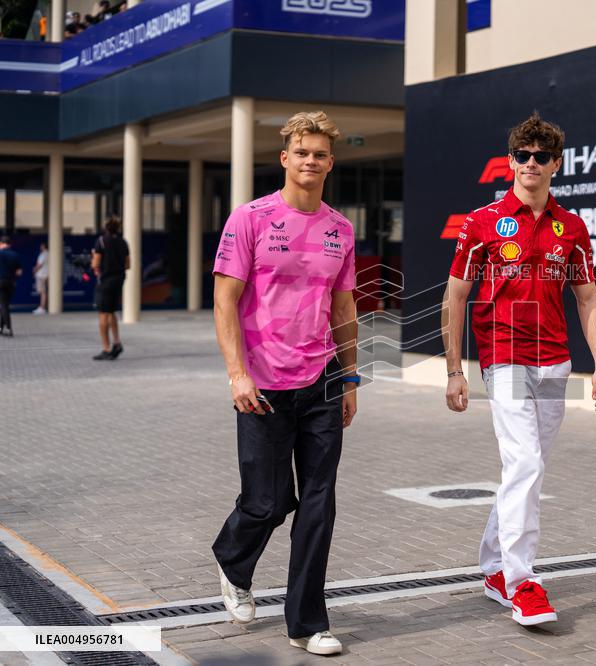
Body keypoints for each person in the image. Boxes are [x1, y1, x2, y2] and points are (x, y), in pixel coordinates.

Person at [441, 112, 596, 626]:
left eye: (541, 156)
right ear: (510, 160)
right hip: (503, 357)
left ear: (556, 163)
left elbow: (589, 301)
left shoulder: (572, 227)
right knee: (526, 465)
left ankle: (495, 568)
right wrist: (455, 370)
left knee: (526, 469)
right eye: (522, 155)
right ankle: (521, 582)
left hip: (555, 361)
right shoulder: (482, 222)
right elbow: (454, 298)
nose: (531, 164)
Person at [211, 111, 359, 656]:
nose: (311, 162)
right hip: (263, 383)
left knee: (319, 503)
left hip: (321, 377)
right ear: (285, 158)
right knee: (269, 502)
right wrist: (236, 373)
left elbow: (344, 306)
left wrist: (350, 377)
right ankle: (232, 558)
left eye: (320, 154)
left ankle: (306, 622)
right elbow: (225, 300)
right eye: (302, 152)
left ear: (330, 163)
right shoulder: (249, 219)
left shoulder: (339, 228)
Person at [91, 216, 129, 360]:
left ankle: (106, 348)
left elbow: (95, 264)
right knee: (112, 312)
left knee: (103, 314)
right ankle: (117, 343)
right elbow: (128, 264)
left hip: (105, 281)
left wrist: (94, 257)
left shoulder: (101, 241)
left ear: (106, 227)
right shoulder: (123, 242)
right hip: (119, 280)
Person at [0, 236, 23, 336]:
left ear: (1, 243)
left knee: (3, 305)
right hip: (11, 283)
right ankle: (1, 327)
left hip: (0, 282)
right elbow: (19, 272)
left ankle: (8, 328)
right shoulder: (15, 255)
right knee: (5, 305)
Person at [33, 242, 48, 314]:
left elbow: (39, 265)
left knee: (42, 292)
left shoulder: (43, 254)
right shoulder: (49, 254)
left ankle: (42, 308)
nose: (40, 247)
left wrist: (34, 270)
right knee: (44, 292)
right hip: (46, 274)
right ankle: (43, 307)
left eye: (41, 246)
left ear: (44, 246)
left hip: (41, 275)